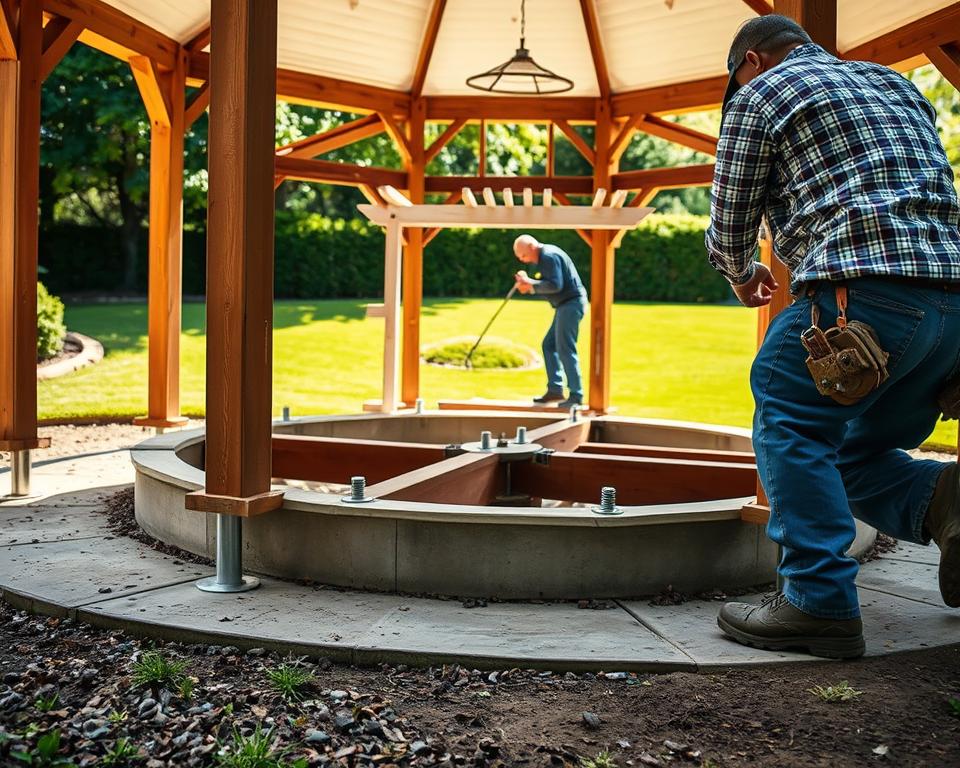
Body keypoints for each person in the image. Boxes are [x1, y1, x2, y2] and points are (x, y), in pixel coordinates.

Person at [705, 14, 960, 658]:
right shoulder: (892, 84)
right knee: (848, 452)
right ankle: (948, 500)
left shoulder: (763, 91)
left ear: (751, 61)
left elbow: (731, 218)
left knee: (786, 404)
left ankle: (816, 602)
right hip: (951, 309)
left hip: (860, 300)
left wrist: (741, 273)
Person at [512, 234, 587, 408]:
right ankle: (555, 389)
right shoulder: (546, 255)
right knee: (549, 345)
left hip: (571, 305)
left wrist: (530, 284)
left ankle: (576, 395)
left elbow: (555, 285)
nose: (524, 261)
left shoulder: (548, 256)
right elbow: (550, 285)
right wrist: (530, 286)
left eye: (523, 256)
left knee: (565, 349)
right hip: (566, 305)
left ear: (531, 246)